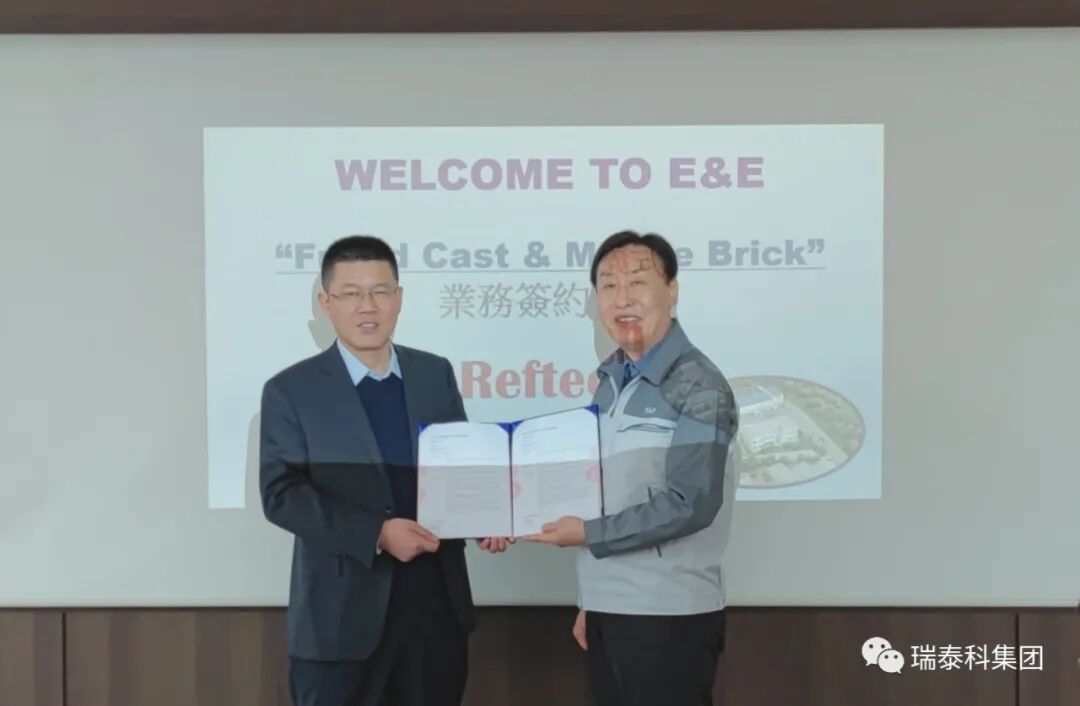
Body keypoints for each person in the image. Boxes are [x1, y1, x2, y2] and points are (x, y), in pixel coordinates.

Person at [259, 235, 510, 706]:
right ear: (326, 303)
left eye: (380, 291)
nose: (367, 306)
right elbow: (281, 494)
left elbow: (458, 469)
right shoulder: (291, 390)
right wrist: (376, 532)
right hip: (340, 622)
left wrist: (487, 517)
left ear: (399, 298)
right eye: (351, 293)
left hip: (435, 614)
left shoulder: (434, 374)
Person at [525, 230, 739, 706]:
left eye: (638, 282)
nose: (622, 298)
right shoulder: (609, 382)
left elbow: (690, 504)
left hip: (668, 613)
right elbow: (603, 492)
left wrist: (588, 533)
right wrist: (592, 600)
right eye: (608, 285)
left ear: (672, 290)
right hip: (610, 608)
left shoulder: (698, 384)